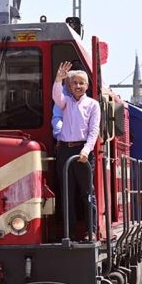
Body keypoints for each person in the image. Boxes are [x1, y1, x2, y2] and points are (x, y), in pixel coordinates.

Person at [53, 61, 101, 240]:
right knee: (67, 192)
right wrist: (58, 80)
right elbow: (57, 96)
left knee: (87, 192)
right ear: (69, 86)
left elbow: (93, 130)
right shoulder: (65, 103)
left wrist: (86, 150)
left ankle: (91, 231)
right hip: (65, 150)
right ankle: (69, 232)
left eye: (81, 83)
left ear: (87, 86)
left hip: (83, 151)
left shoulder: (93, 105)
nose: (78, 86)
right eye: (74, 83)